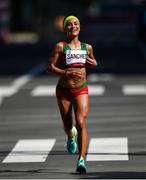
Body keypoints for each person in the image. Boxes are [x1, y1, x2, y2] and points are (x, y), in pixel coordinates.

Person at [47, 15, 97, 173]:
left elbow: (93, 62)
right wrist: (64, 73)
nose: (73, 26)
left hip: (81, 89)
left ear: (80, 28)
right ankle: (70, 135)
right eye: (69, 24)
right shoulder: (61, 47)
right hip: (64, 91)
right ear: (65, 29)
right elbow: (49, 67)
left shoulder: (87, 47)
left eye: (76, 23)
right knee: (69, 125)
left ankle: (81, 160)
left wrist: (94, 63)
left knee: (81, 122)